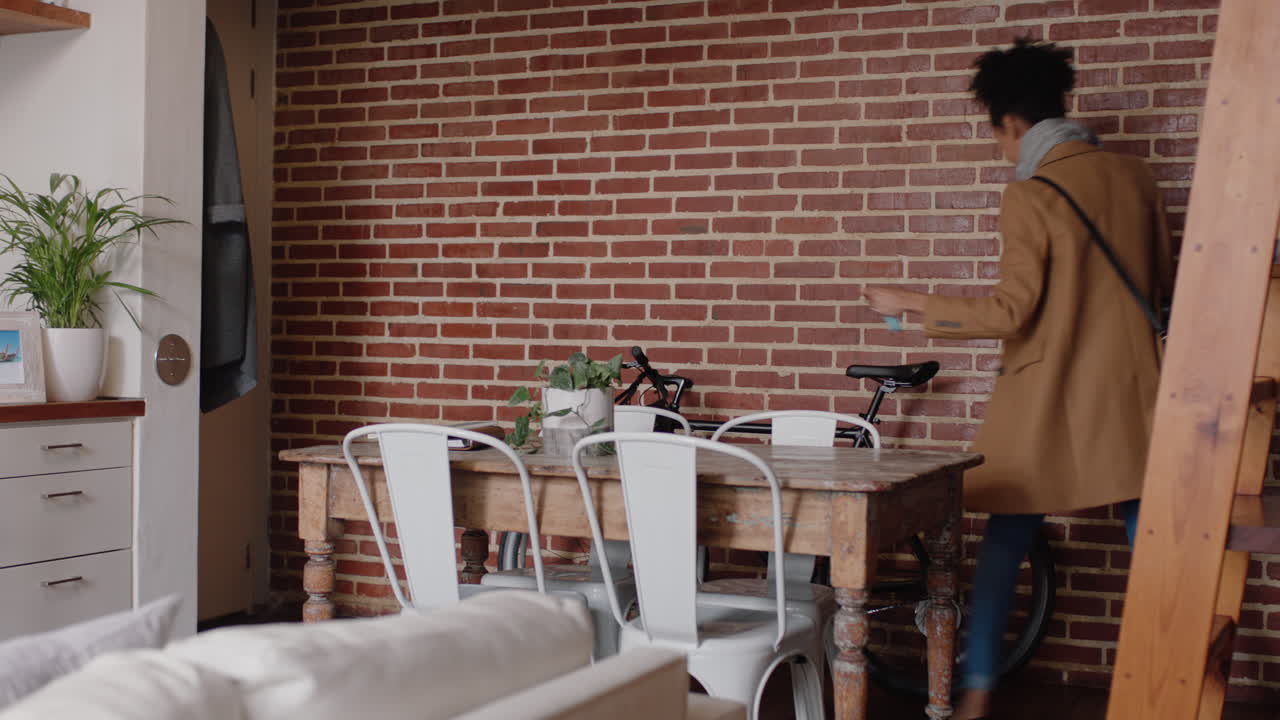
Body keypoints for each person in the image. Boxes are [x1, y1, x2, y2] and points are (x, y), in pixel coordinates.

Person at [864, 39, 1174, 719]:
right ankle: (1170, 683)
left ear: (1010, 124)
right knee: (1153, 537)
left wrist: (910, 302)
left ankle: (974, 692)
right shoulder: (1137, 179)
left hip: (1049, 397)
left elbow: (1012, 310)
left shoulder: (1030, 196)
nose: (999, 150)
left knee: (1006, 538)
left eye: (995, 135)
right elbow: (1161, 287)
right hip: (1135, 395)